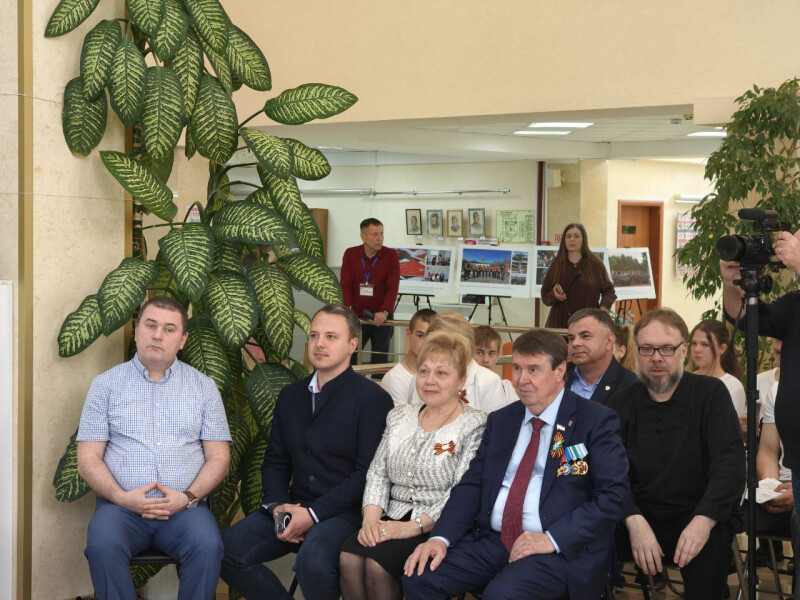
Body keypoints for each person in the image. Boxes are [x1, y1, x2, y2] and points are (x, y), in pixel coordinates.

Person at [401, 329, 630, 599]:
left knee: (502, 594)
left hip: (556, 546)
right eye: (517, 368)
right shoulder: (502, 420)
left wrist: (552, 539)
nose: (521, 380)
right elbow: (473, 484)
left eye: (533, 369)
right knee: (420, 577)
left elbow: (613, 497)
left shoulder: (595, 420)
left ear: (559, 371)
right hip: (493, 539)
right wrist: (440, 538)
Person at [220, 305, 394, 600]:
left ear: (352, 345)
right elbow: (275, 460)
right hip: (293, 505)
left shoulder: (373, 399)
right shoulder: (290, 395)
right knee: (226, 550)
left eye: (331, 336)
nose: (319, 344)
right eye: (314, 336)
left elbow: (367, 475)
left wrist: (312, 515)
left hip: (345, 513)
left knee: (313, 561)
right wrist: (278, 507)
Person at [76, 296, 232, 600]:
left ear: (182, 340)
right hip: (121, 509)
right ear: (137, 331)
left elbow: (219, 458)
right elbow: (88, 459)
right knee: (102, 545)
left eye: (169, 329)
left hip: (184, 511)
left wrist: (187, 498)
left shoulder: (204, 388)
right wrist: (122, 497)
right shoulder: (105, 386)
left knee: (208, 545)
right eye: (150, 325)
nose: (158, 335)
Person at [608, 308, 745, 599]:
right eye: (647, 349)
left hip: (700, 514)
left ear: (683, 351)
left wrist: (703, 520)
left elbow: (729, 465)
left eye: (667, 348)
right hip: (639, 516)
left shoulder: (711, 394)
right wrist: (633, 519)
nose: (656, 357)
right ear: (637, 352)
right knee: (587, 545)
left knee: (709, 563)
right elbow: (610, 472)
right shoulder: (621, 403)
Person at [339, 331, 488, 600]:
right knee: (349, 558)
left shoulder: (474, 424)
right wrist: (370, 519)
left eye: (441, 373)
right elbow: (378, 473)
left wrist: (411, 527)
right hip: (389, 515)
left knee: (377, 566)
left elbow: (462, 491)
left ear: (461, 380)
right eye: (424, 371)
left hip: (435, 525)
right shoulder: (399, 416)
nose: (430, 380)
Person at [408, 312, 510, 413]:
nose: (440, 349)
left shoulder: (488, 380)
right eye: (434, 343)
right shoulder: (418, 379)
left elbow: (497, 422)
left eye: (447, 343)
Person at [340, 218, 401, 366]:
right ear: (363, 237)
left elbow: (393, 287)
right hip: (357, 318)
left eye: (381, 233)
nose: (380, 238)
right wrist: (348, 310)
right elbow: (345, 284)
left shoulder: (391, 255)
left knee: (379, 360)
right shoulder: (350, 254)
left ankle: (377, 381)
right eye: (375, 234)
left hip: (382, 318)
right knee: (351, 357)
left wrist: (384, 311)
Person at [541, 223, 616, 328]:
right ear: (564, 240)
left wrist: (603, 310)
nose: (572, 239)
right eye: (568, 236)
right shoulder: (556, 264)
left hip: (588, 323)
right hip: (560, 325)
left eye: (576, 236)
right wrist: (554, 295)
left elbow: (609, 290)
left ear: (583, 239)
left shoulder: (595, 264)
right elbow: (545, 296)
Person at [565, 308, 637, 405]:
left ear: (609, 341)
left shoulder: (632, 387)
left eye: (585, 336)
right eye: (571, 338)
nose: (575, 343)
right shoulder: (556, 376)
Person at [381, 309, 437, 406]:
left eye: (432, 338)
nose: (426, 343)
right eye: (421, 336)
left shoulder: (439, 376)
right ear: (408, 334)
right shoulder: (395, 378)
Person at [690, 319, 746, 416]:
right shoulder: (686, 381)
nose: (697, 349)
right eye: (694, 343)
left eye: (705, 344)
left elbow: (732, 424)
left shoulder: (732, 386)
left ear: (722, 348)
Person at [473, 325, 518, 403]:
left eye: (491, 354)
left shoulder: (507, 389)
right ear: (469, 353)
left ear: (497, 356)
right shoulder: (459, 388)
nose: (486, 360)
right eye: (479, 353)